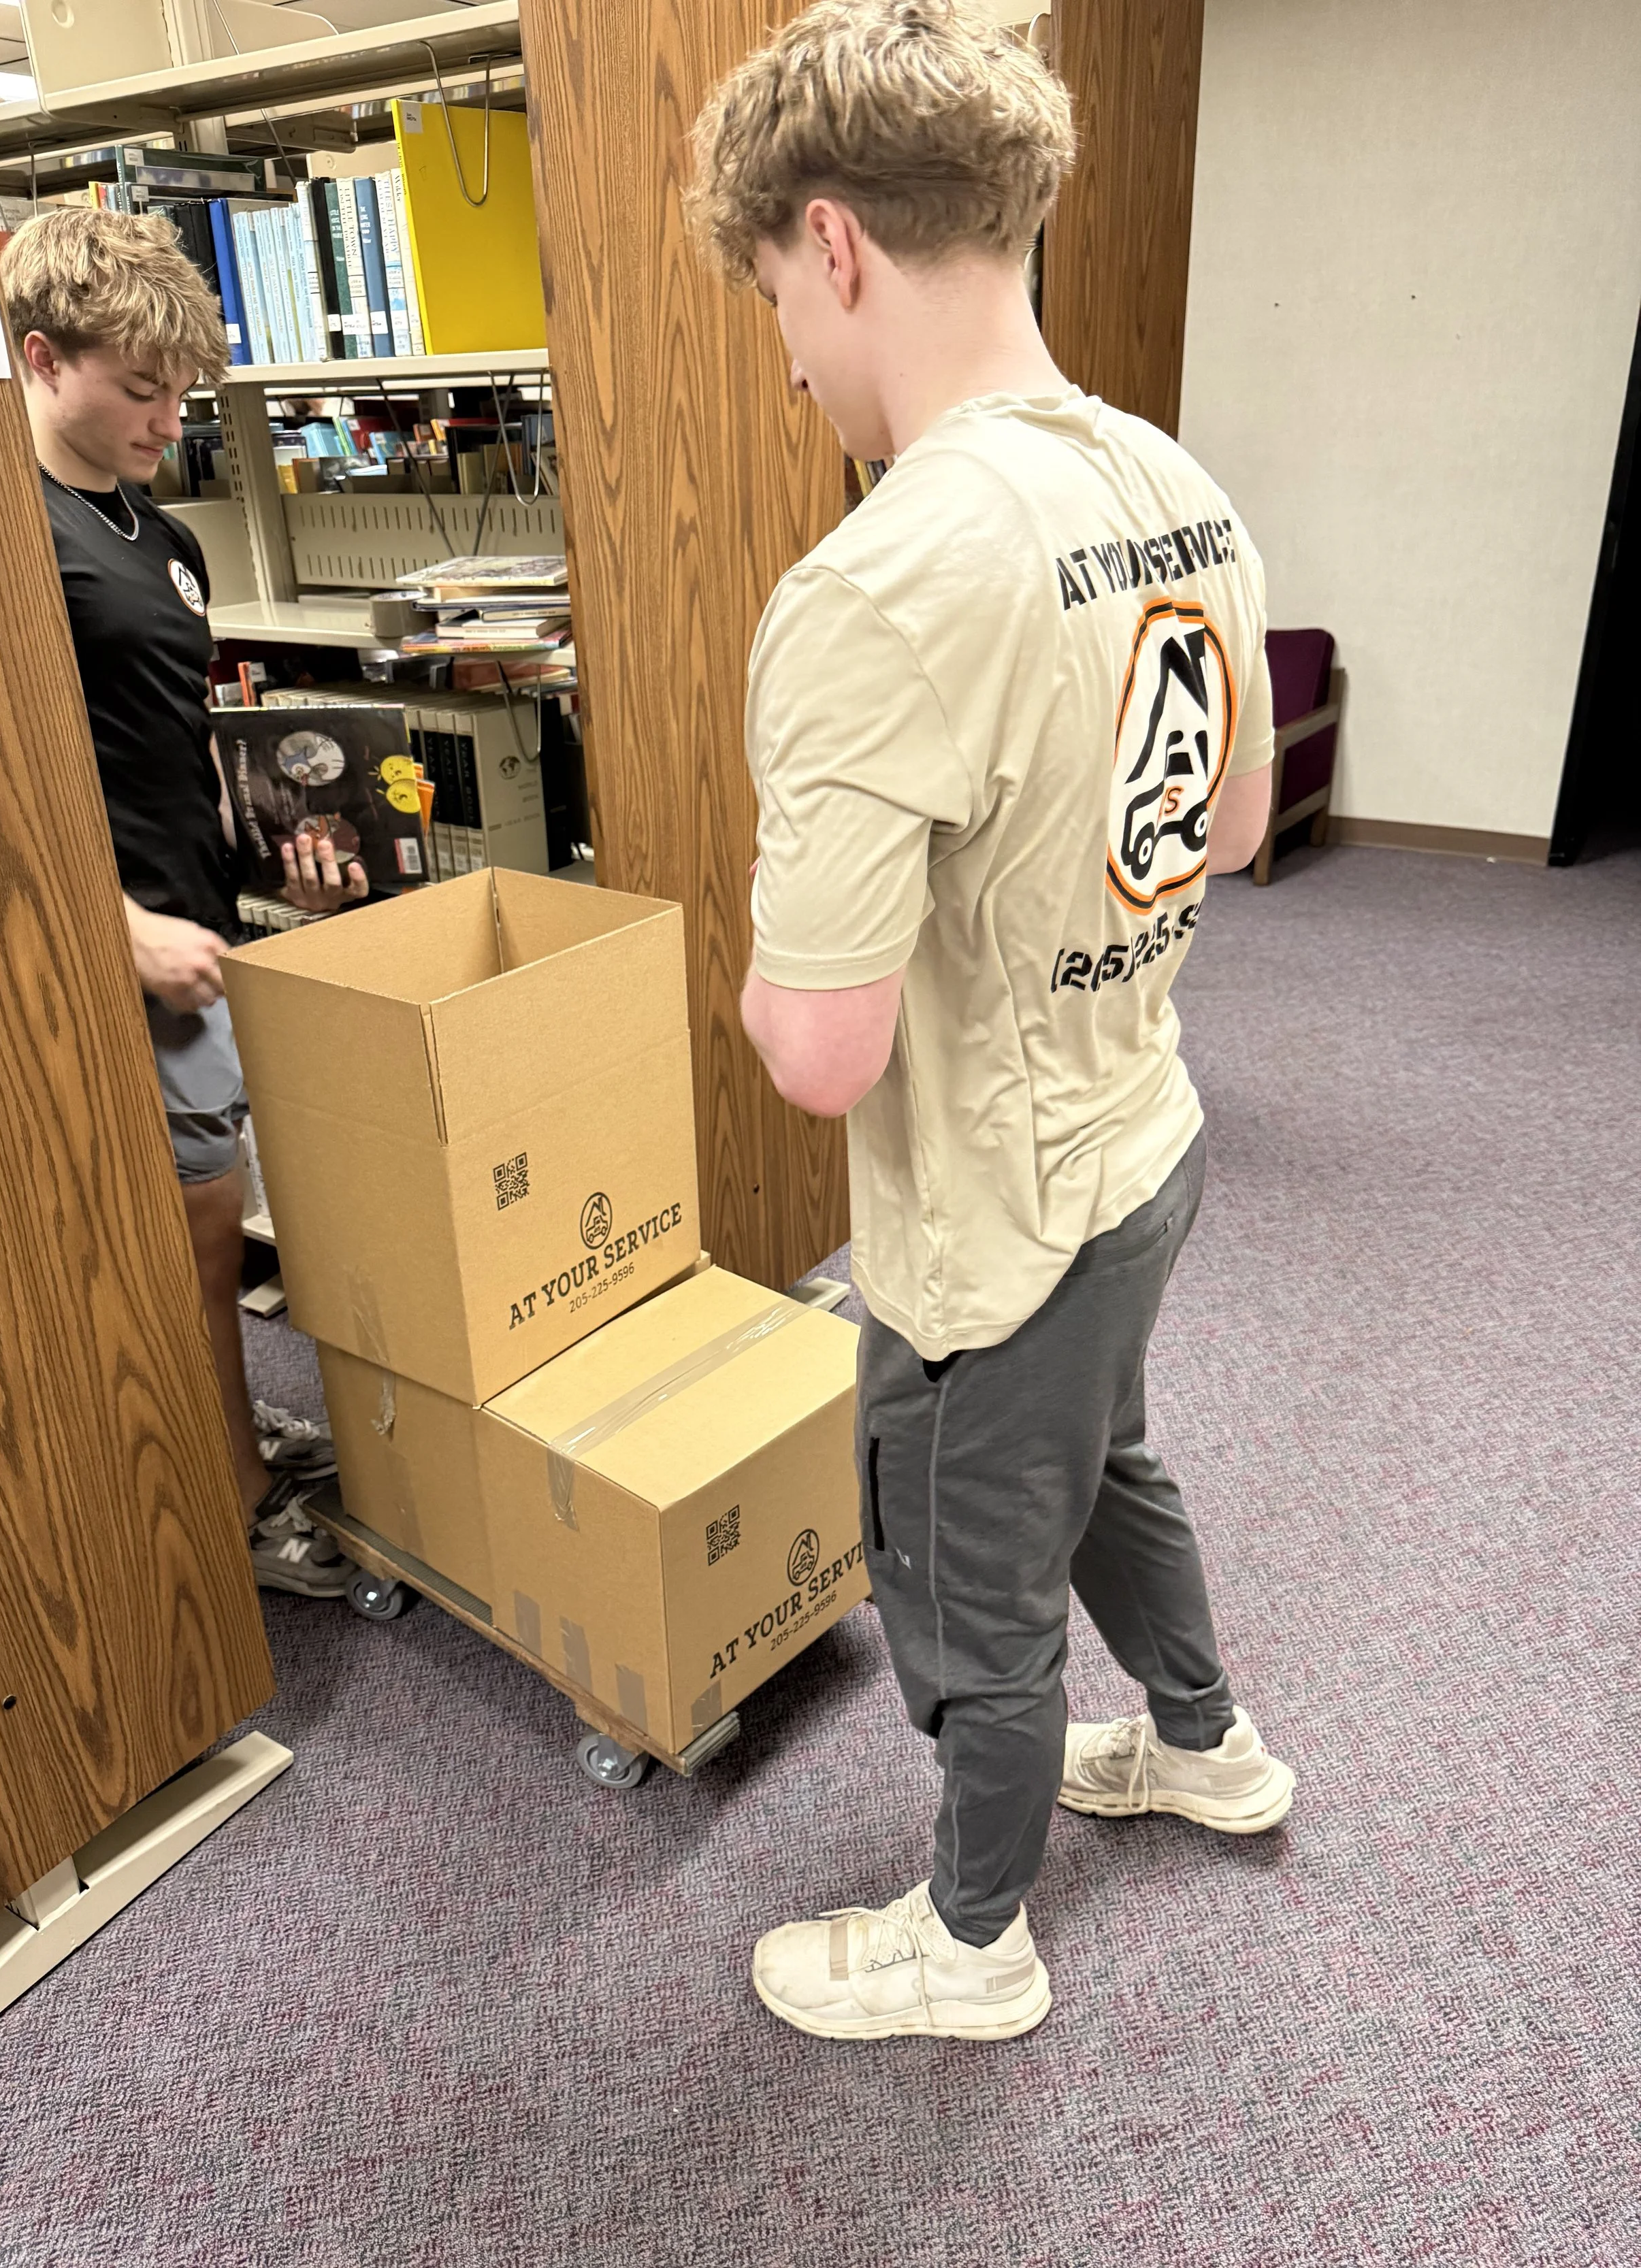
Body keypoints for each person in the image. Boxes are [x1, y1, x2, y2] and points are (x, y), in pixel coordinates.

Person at [688, 0, 1297, 2041]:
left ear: (835, 242)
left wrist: (764, 956)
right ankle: (1205, 1743)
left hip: (996, 1216)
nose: (784, 341)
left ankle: (967, 1942)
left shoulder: (876, 585)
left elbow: (820, 1055)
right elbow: (1226, 825)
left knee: (969, 1576)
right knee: (1107, 1459)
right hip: (1145, 1137)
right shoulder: (1172, 480)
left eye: (776, 288)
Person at [1, 207, 360, 1598]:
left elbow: (169, 749)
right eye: (140, 388)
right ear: (41, 358)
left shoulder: (150, 530)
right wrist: (110, 924)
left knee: (205, 1220)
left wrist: (284, 857)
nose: (170, 416)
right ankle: (231, 1488)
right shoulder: (3, 541)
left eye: (183, 390)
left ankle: (219, 1427)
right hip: (107, 947)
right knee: (196, 1226)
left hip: (189, 921)